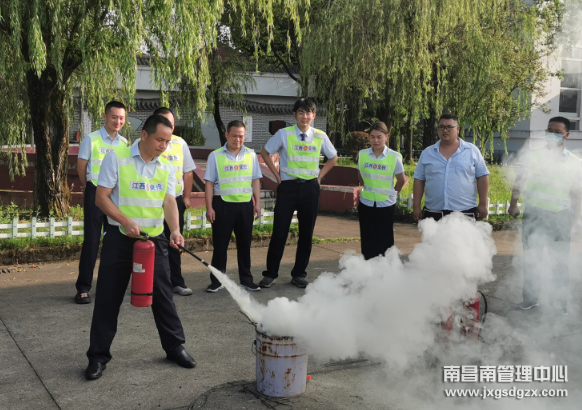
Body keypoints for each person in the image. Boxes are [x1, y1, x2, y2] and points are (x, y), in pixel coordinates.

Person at [84, 115, 195, 380]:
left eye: (167, 141)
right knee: (108, 298)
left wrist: (175, 230)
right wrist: (125, 221)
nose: (164, 146)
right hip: (120, 239)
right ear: (144, 135)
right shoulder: (117, 158)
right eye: (159, 140)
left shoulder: (167, 164)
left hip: (154, 240)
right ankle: (98, 356)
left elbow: (169, 201)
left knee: (164, 296)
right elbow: (101, 198)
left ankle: (175, 347)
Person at [259, 98, 338, 288]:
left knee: (306, 234)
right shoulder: (283, 134)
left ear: (314, 115)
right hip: (288, 187)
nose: (305, 116)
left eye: (308, 112)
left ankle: (299, 274)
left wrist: (319, 177)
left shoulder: (320, 136)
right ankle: (270, 274)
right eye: (301, 112)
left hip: (310, 188)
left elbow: (333, 157)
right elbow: (265, 152)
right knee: (279, 232)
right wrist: (277, 176)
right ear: (294, 115)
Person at [508, 116, 582, 314]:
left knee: (560, 262)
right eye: (550, 131)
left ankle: (560, 305)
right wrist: (513, 204)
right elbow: (520, 181)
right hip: (534, 214)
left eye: (557, 132)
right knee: (532, 259)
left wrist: (577, 220)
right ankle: (530, 299)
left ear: (567, 135)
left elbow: (576, 194)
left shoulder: (575, 162)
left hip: (560, 217)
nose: (552, 135)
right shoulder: (533, 155)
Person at [75, 101, 128, 304]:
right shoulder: (91, 139)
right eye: (114, 117)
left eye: (121, 118)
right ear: (105, 116)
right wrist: (90, 186)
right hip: (95, 193)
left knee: (114, 240)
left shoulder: (124, 143)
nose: (118, 121)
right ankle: (83, 288)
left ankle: (108, 287)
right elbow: (81, 167)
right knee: (92, 241)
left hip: (115, 195)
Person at [203, 120, 263, 292]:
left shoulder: (251, 155)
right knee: (220, 246)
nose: (238, 139)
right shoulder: (215, 156)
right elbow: (209, 183)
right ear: (227, 135)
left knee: (245, 245)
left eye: (241, 136)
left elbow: (255, 180)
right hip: (222, 205)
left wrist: (257, 203)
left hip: (245, 205)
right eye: (234, 136)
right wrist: (209, 207)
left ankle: (246, 280)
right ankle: (217, 281)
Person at [413, 113, 490, 222]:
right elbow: (419, 179)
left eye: (449, 127)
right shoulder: (427, 153)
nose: (445, 130)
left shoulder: (471, 151)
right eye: (442, 127)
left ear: (458, 129)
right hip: (434, 212)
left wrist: (483, 203)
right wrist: (416, 206)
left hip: (464, 212)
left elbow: (482, 176)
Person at [153, 107, 196, 296]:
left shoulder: (180, 143)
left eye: (170, 123)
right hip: (152, 199)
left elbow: (188, 171)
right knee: (153, 241)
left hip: (175, 199)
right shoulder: (145, 143)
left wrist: (186, 196)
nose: (167, 126)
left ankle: (176, 281)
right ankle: (151, 283)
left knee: (175, 240)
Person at [357, 121, 406, 260]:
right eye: (372, 137)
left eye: (379, 137)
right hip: (366, 203)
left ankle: (386, 270)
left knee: (385, 241)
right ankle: (368, 268)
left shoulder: (394, 157)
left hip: (386, 204)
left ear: (387, 137)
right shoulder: (362, 154)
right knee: (367, 240)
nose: (376, 140)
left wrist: (393, 194)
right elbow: (360, 177)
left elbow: (401, 180)